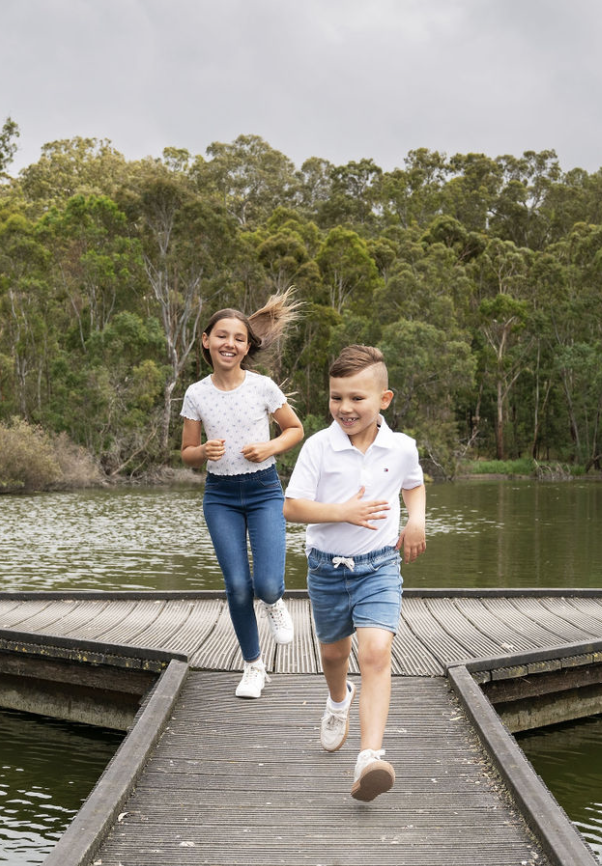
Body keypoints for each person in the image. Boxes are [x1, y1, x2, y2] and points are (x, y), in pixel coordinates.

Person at [283, 344, 426, 801]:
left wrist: (417, 520)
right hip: (327, 569)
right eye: (335, 397)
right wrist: (341, 512)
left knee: (376, 652)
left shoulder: (401, 447)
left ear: (384, 399)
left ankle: (370, 756)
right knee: (332, 658)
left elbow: (414, 484)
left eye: (356, 399)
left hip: (379, 565)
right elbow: (291, 507)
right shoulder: (318, 447)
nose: (344, 408)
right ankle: (337, 700)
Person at [180, 290, 304, 699]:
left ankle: (274, 601)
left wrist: (269, 447)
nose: (229, 343)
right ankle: (253, 666)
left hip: (264, 490)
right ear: (206, 340)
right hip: (220, 497)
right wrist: (202, 451)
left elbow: (295, 430)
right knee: (236, 586)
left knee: (266, 584)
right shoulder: (196, 394)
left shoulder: (263, 387)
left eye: (238, 337)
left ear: (247, 345)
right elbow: (187, 455)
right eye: (221, 336)